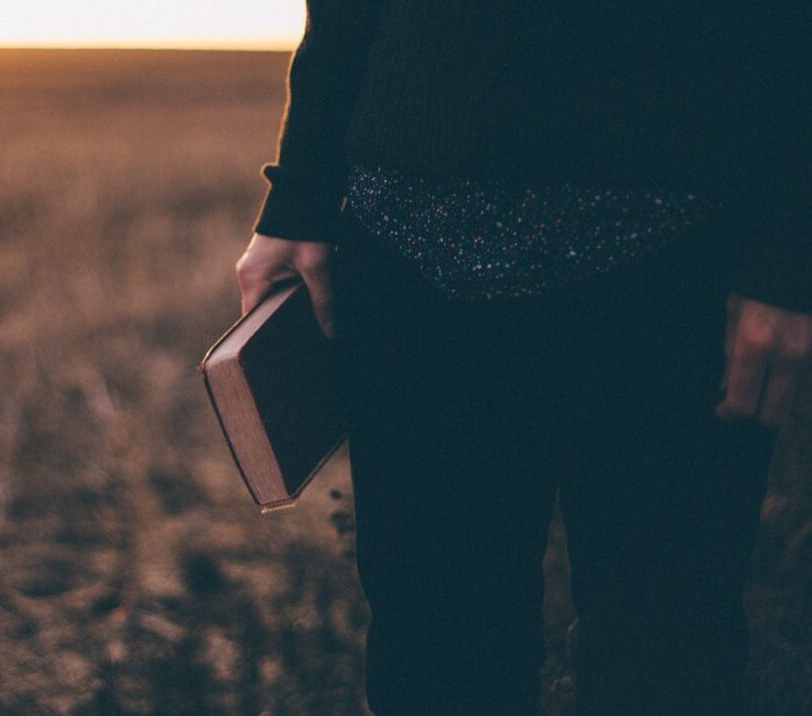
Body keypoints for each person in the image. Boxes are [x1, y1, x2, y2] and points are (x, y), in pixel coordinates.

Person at [235, 3, 812, 715]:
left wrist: (789, 248)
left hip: (674, 264)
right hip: (407, 254)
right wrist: (300, 193)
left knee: (666, 657)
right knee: (435, 661)